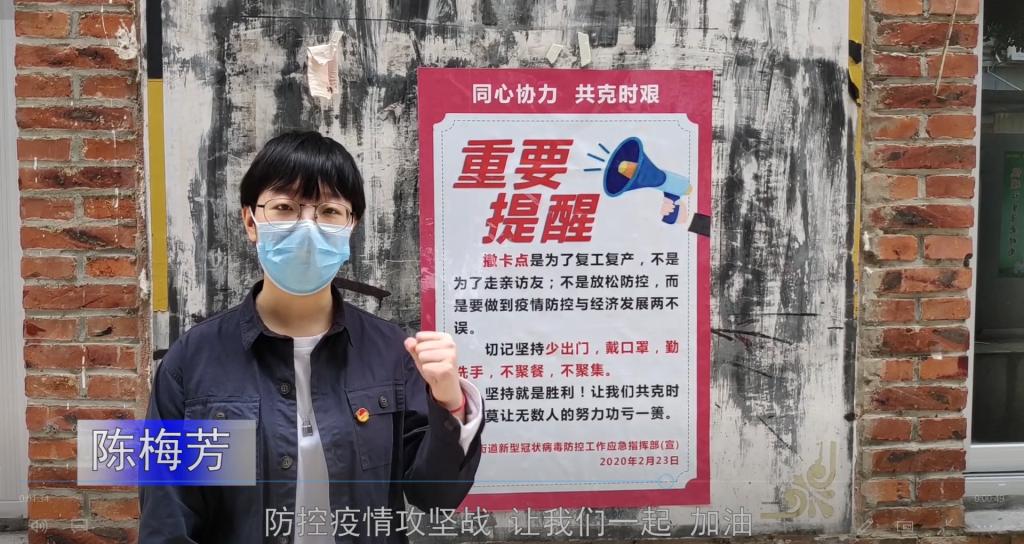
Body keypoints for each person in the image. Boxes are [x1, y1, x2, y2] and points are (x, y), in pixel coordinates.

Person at [139, 131, 485, 543]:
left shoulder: (391, 353)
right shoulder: (193, 360)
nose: (307, 227)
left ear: (351, 226)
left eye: (329, 211)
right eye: (284, 208)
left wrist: (450, 402)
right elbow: (168, 520)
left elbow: (435, 496)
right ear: (250, 221)